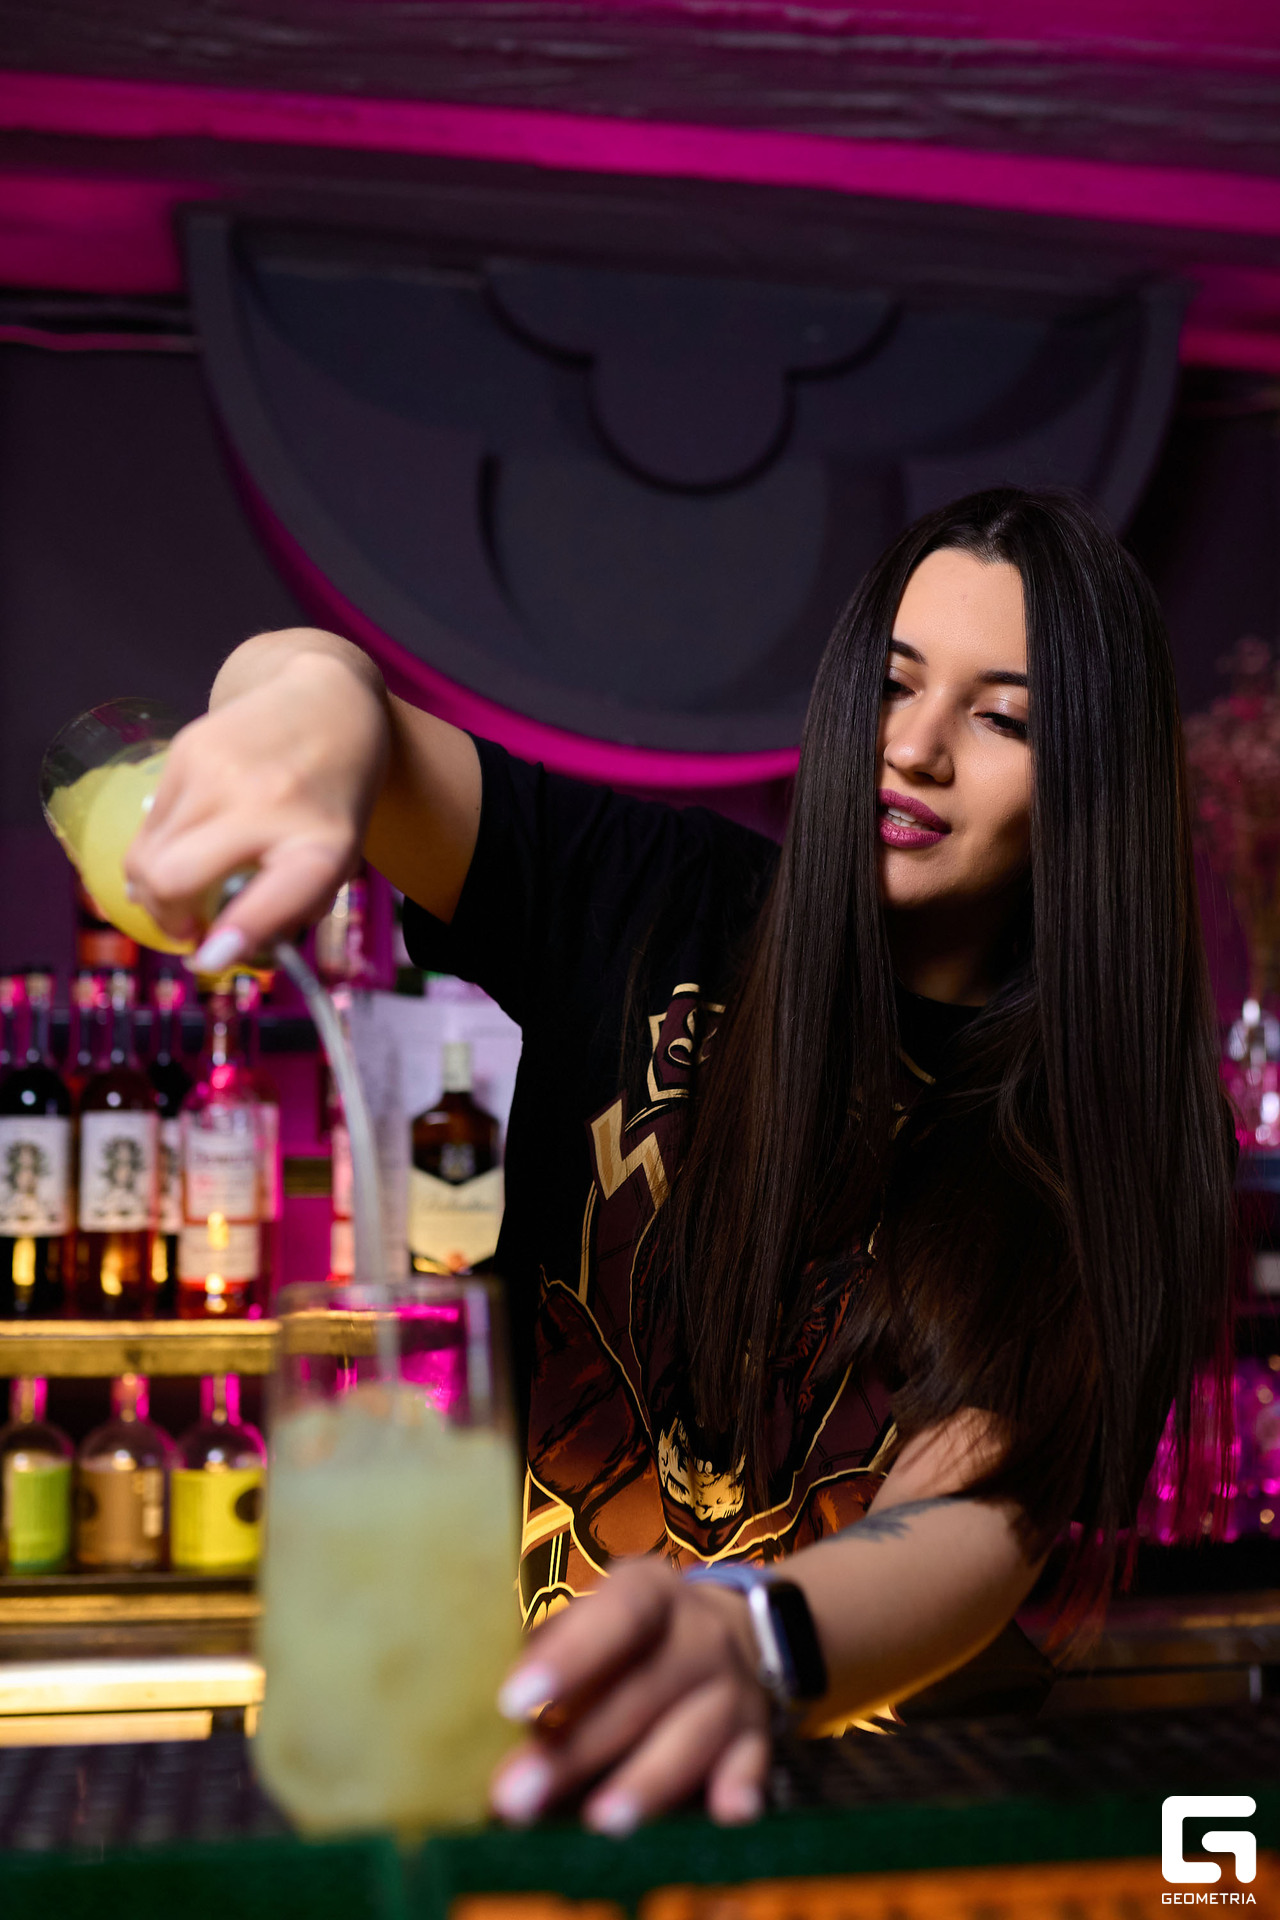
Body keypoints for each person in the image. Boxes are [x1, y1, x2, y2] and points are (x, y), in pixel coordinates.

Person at [127, 487, 1235, 1834]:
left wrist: (749, 1636)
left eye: (1004, 718)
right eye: (892, 687)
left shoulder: (1107, 1128)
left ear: (1094, 783)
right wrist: (302, 713)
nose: (915, 749)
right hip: (517, 1782)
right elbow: (326, 691)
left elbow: (970, 1517)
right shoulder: (658, 901)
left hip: (862, 1834)